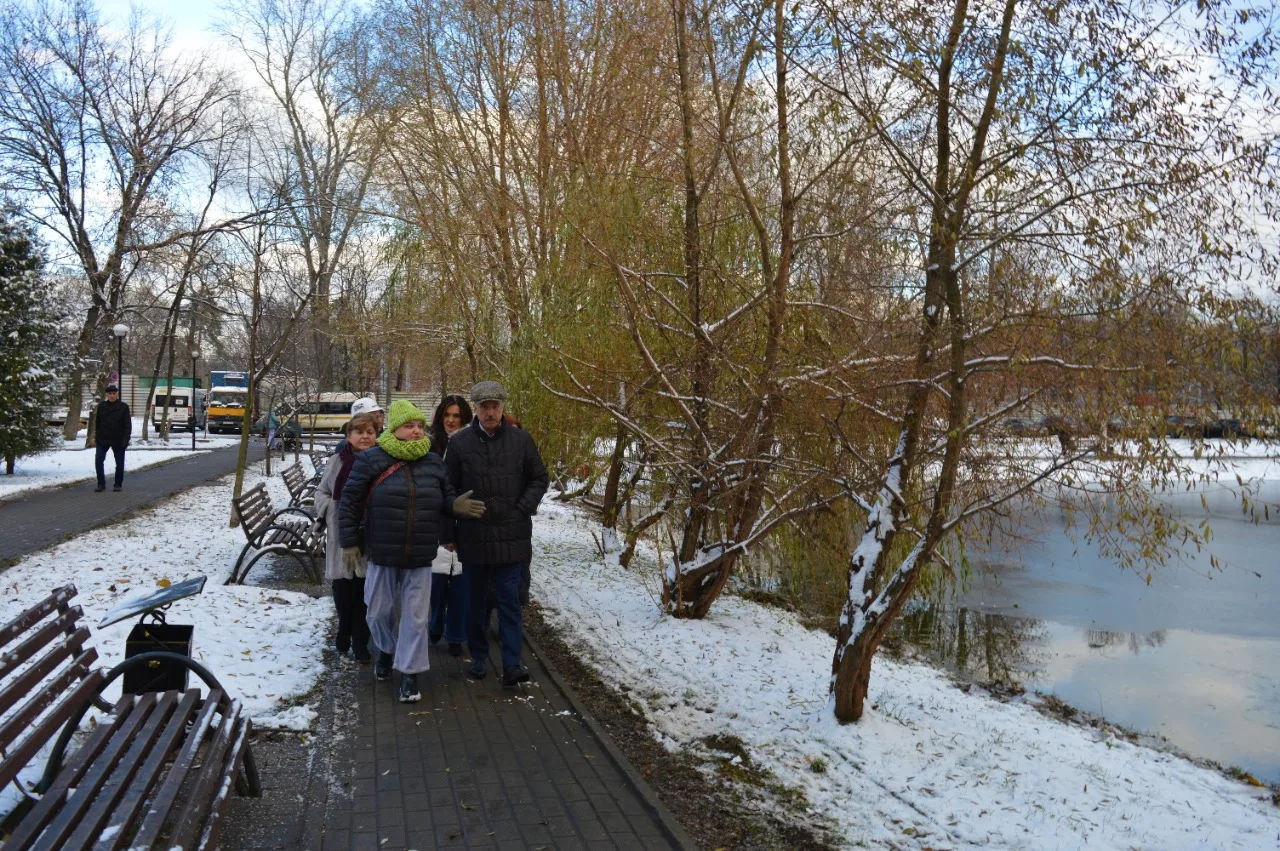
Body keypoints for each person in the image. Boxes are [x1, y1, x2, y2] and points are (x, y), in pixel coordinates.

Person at [337, 400, 485, 703]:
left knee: (416, 618)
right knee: (378, 612)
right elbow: (350, 502)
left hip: (419, 553)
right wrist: (349, 541)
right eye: (409, 425)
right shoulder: (371, 460)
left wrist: (454, 506)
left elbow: (445, 498)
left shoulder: (433, 462)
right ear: (394, 428)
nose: (417, 431)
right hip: (381, 551)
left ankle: (409, 673)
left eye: (420, 425)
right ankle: (388, 650)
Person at [445, 381, 549, 687]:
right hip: (474, 535)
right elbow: (447, 487)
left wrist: (522, 507)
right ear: (475, 409)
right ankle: (478, 657)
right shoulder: (460, 443)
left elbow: (539, 478)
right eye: (484, 407)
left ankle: (512, 665)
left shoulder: (520, 440)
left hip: (511, 534)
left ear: (503, 407)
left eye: (495, 406)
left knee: (509, 601)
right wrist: (455, 514)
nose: (490, 412)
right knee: (475, 602)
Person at [313, 411, 379, 663]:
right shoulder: (336, 461)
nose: (365, 436)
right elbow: (322, 492)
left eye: (370, 432)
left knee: (365, 593)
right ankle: (343, 628)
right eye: (359, 432)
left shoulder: (381, 461)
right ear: (349, 436)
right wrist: (332, 510)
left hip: (369, 535)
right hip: (340, 535)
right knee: (343, 591)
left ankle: (360, 642)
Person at [427, 395, 472, 656]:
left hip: (465, 516)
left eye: (457, 416)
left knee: (461, 587)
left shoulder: (471, 443)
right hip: (436, 518)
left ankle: (456, 636)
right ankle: (435, 622)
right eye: (448, 415)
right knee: (437, 585)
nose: (452, 420)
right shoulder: (431, 443)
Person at [93, 384, 131, 492]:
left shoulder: (123, 407)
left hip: (118, 439)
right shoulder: (102, 406)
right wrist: (97, 436)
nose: (112, 396)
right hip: (102, 439)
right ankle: (101, 484)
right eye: (110, 394)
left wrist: (126, 439)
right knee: (98, 461)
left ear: (117, 394)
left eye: (114, 393)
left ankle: (118, 484)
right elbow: (97, 422)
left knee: (119, 463)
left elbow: (127, 425)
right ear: (107, 395)